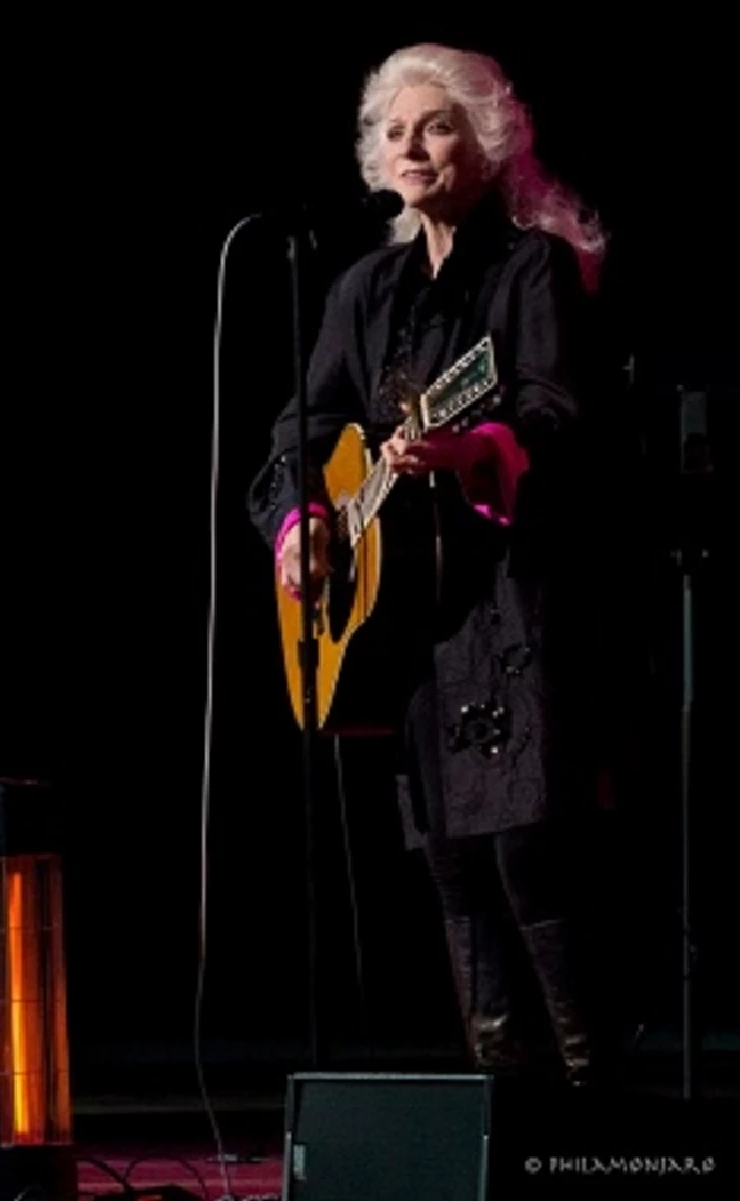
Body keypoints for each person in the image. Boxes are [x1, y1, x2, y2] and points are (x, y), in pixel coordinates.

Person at [247, 42, 617, 1088]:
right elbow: (296, 435)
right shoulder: (363, 290)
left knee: (529, 860)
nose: (411, 145)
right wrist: (303, 527)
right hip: (409, 624)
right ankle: (504, 1122)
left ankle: (600, 1128)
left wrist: (460, 449)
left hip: (513, 604)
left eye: (436, 123)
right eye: (394, 129)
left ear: (486, 143)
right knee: (452, 868)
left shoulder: (527, 267)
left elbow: (552, 413)